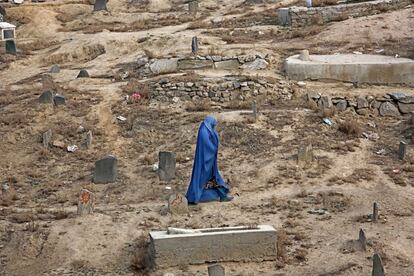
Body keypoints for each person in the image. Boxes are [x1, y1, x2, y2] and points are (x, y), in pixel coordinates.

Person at [186, 116, 233, 204]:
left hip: (209, 162)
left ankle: (221, 195)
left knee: (213, 178)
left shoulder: (207, 129)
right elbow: (207, 146)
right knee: (211, 178)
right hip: (205, 162)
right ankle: (194, 197)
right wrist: (213, 149)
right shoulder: (204, 131)